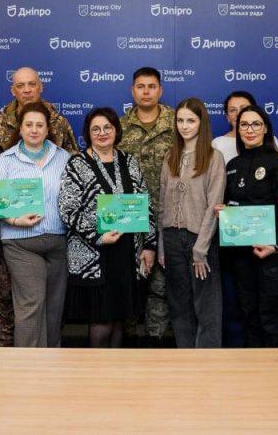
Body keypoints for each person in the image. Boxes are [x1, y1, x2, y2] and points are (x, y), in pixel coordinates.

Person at [0, 66, 78, 347]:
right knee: (31, 305)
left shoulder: (64, 158)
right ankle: (26, 365)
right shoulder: (4, 162)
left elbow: (76, 195)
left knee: (54, 308)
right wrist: (14, 220)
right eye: (29, 125)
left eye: (40, 125)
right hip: (21, 242)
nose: (34, 130)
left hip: (58, 241)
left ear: (49, 129)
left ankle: (51, 365)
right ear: (20, 128)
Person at [59, 108, 156, 348]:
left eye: (107, 128)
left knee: (120, 318)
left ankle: (115, 370)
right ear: (88, 133)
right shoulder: (77, 163)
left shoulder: (128, 161)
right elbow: (68, 209)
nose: (102, 133)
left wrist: (150, 245)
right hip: (96, 255)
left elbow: (145, 203)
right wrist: (99, 236)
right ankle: (96, 370)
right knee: (101, 319)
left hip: (127, 252)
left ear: (116, 130)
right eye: (96, 129)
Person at [219, 105, 278, 347]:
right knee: (248, 315)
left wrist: (275, 244)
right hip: (241, 255)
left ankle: (277, 368)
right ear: (238, 129)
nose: (249, 130)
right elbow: (231, 205)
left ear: (265, 129)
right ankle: (255, 368)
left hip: (270, 255)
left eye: (255, 124)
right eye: (244, 124)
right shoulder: (233, 164)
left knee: (270, 319)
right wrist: (223, 212)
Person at [159, 98, 225, 348]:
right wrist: (162, 246)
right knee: (179, 305)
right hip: (172, 239)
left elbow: (214, 205)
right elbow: (163, 204)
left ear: (201, 123)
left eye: (191, 120)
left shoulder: (213, 157)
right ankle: (185, 357)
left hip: (200, 239)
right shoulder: (170, 156)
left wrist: (201, 249)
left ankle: (206, 360)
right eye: (180, 120)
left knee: (207, 307)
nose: (184, 126)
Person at [117, 66, 175, 346]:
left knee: (160, 285)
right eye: (140, 86)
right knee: (127, 282)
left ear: (160, 90)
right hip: (127, 216)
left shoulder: (177, 123)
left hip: (167, 214)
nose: (146, 92)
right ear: (132, 91)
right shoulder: (119, 126)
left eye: (152, 86)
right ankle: (127, 343)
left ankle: (156, 343)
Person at [212, 91, 278, 163]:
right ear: (227, 117)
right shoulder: (218, 144)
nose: (238, 114)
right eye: (232, 110)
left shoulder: (270, 139)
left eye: (244, 108)